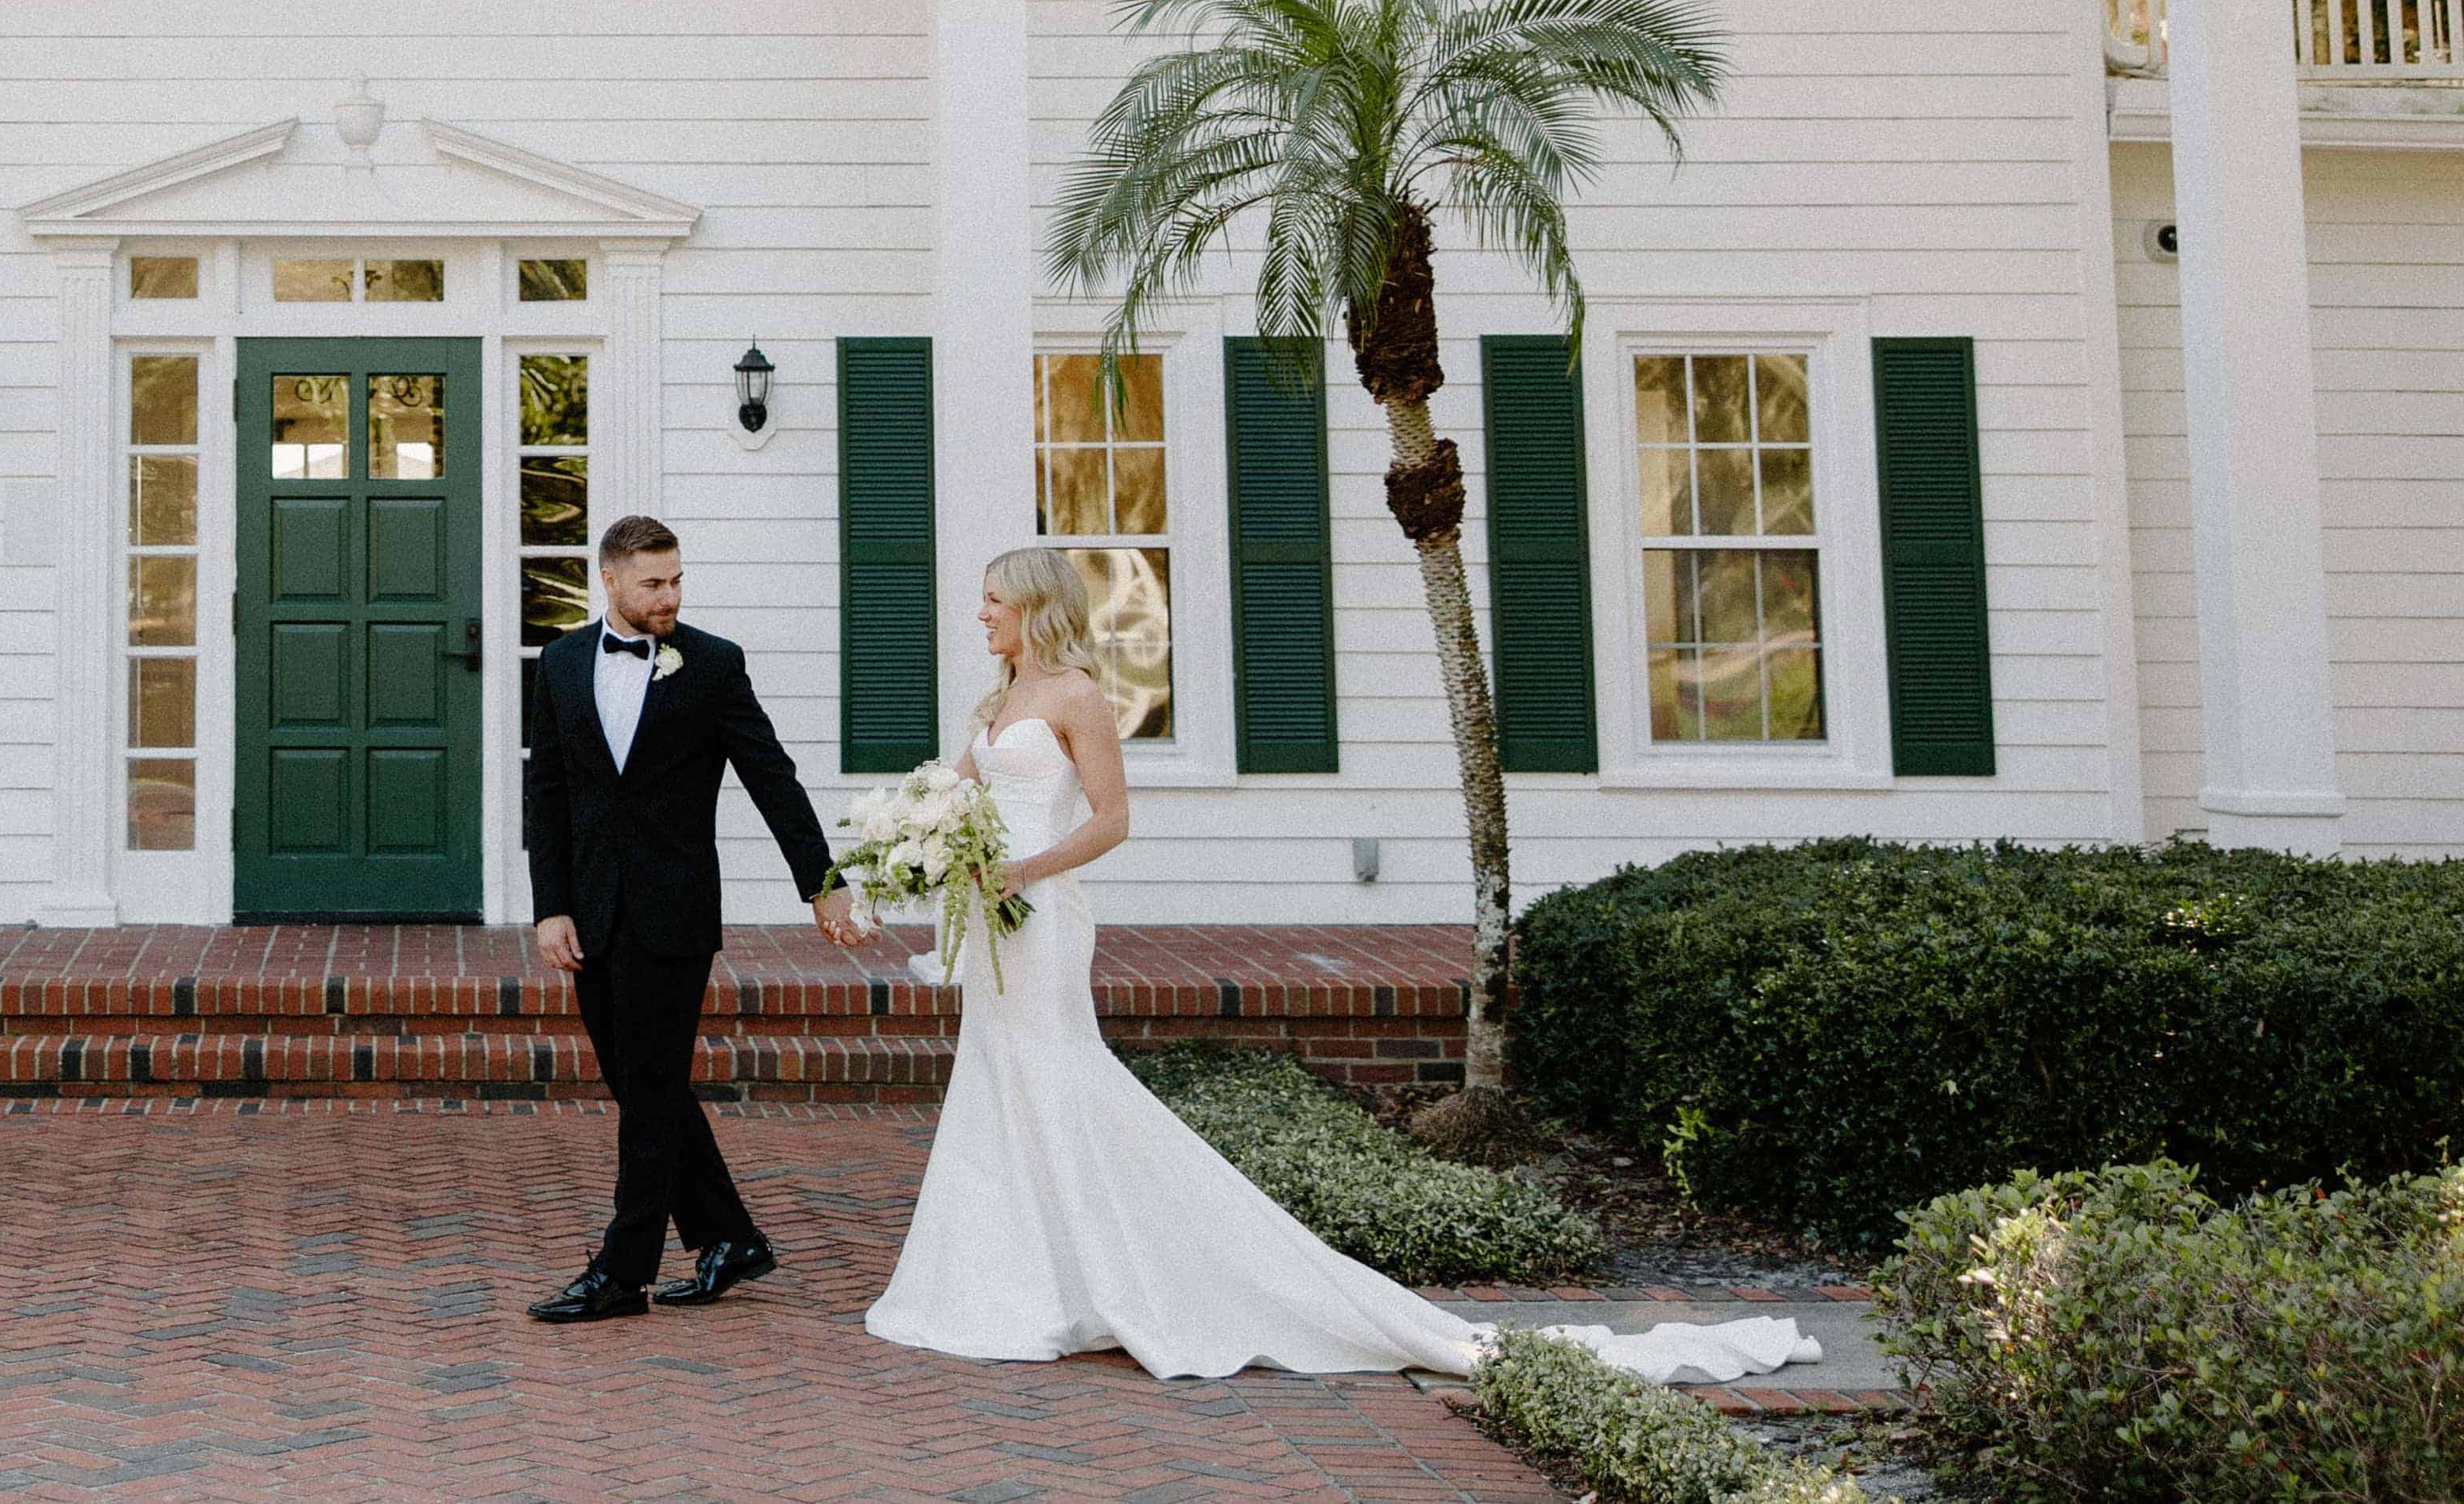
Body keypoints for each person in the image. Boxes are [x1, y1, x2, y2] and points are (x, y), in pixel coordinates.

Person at [863, 545, 1818, 1383]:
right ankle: (1029, 1279)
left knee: (1059, 1075)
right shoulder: (997, 698)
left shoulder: (1075, 694)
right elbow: (954, 799)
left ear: (1034, 603)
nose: (981, 611)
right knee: (1005, 1079)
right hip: (990, 920)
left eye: (994, 597)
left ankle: (1139, 1272)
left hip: (1044, 914)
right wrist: (901, 855)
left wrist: (1023, 867)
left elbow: (1113, 820)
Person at [521, 513, 876, 1325]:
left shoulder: (713, 664)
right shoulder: (563, 660)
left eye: (677, 578)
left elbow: (771, 776)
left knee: (648, 1093)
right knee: (643, 1084)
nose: (669, 594)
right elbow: (548, 795)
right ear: (609, 579)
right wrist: (551, 905)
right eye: (653, 581)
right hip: (591, 913)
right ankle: (730, 1236)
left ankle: (622, 1270)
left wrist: (822, 881)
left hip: (674, 910)